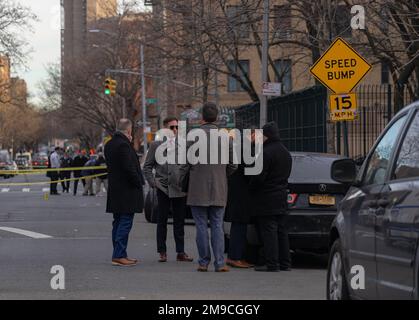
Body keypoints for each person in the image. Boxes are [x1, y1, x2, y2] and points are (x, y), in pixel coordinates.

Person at [180, 103, 237, 272]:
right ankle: (220, 263)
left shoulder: (193, 137)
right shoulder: (226, 137)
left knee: (201, 226)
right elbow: (233, 165)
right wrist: (221, 174)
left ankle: (203, 262)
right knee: (218, 225)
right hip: (219, 187)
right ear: (217, 117)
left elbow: (185, 164)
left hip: (197, 187)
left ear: (201, 118)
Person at [143, 117, 193, 263]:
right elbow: (147, 167)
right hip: (162, 188)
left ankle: (180, 252)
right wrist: (153, 183)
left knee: (179, 221)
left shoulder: (185, 145)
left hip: (179, 188)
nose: (175, 130)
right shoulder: (155, 145)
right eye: (172, 127)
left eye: (177, 127)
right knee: (162, 221)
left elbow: (190, 165)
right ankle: (162, 251)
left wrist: (187, 182)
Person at [249, 122, 292, 272]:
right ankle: (285, 263)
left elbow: (258, 177)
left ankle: (272, 263)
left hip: (266, 197)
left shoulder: (265, 153)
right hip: (281, 195)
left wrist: (251, 187)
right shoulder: (285, 152)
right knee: (281, 231)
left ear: (266, 136)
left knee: (269, 231)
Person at [105, 119, 145, 267]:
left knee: (117, 222)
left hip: (115, 189)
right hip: (127, 190)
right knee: (125, 222)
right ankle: (119, 254)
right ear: (128, 131)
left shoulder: (109, 144)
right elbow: (129, 168)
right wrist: (138, 183)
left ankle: (118, 253)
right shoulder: (123, 145)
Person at [224, 130, 254, 268]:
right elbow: (250, 173)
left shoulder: (239, 148)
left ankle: (234, 256)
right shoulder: (246, 150)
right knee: (239, 226)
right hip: (241, 194)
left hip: (235, 192)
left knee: (237, 226)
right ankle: (235, 257)